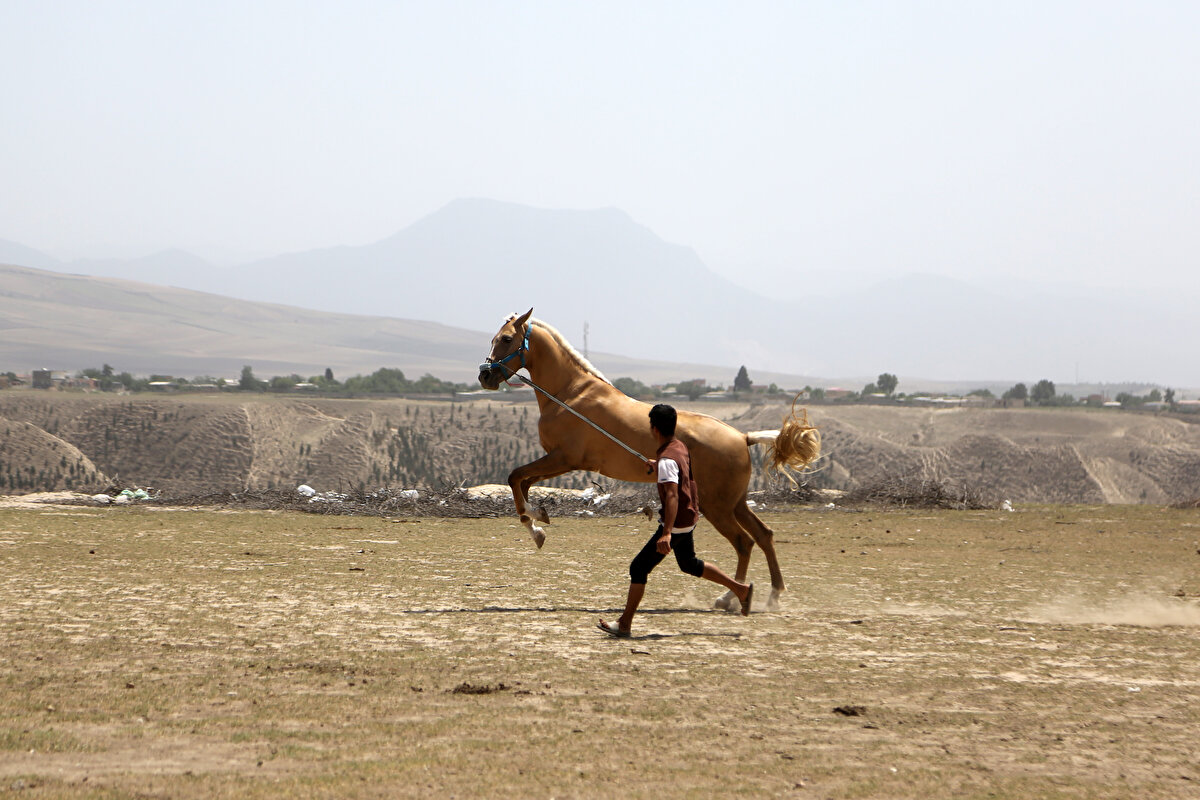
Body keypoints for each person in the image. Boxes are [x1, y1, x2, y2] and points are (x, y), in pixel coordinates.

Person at [598, 404, 753, 638]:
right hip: (689, 515)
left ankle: (625, 624)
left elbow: (672, 495)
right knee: (689, 564)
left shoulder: (667, 459)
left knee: (638, 568)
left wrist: (667, 533)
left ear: (654, 429)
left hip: (677, 522)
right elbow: (677, 471)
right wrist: (658, 464)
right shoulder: (678, 446)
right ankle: (741, 590)